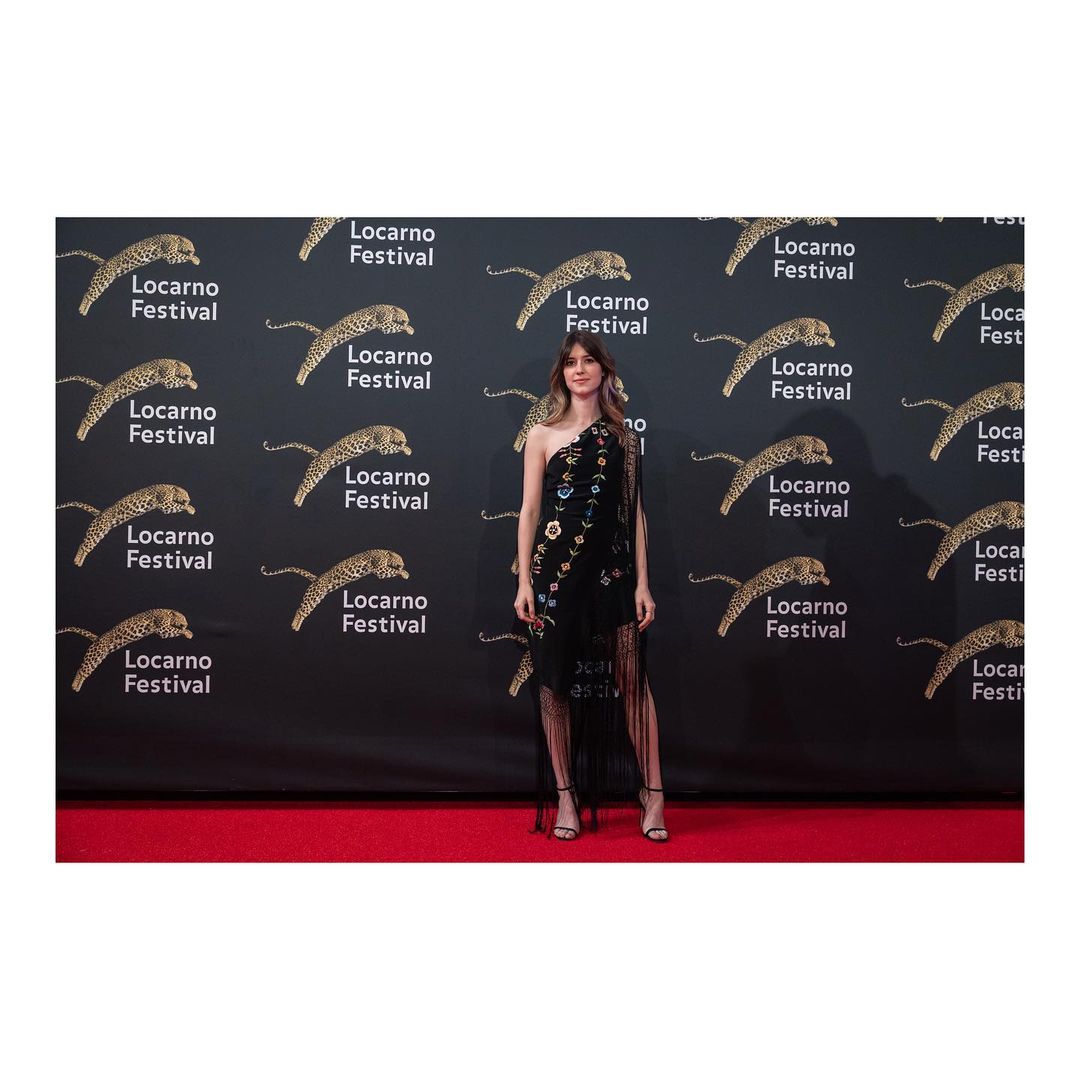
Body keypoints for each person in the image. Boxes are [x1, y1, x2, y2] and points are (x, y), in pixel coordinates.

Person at [513, 330, 668, 842]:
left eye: (588, 361)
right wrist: (525, 581)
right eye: (570, 362)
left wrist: (643, 583)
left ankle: (653, 794)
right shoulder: (541, 434)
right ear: (561, 373)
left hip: (613, 573)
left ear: (604, 370)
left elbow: (635, 514)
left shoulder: (625, 438)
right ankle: (565, 796)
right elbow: (529, 511)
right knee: (553, 687)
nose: (579, 369)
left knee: (634, 685)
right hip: (554, 577)